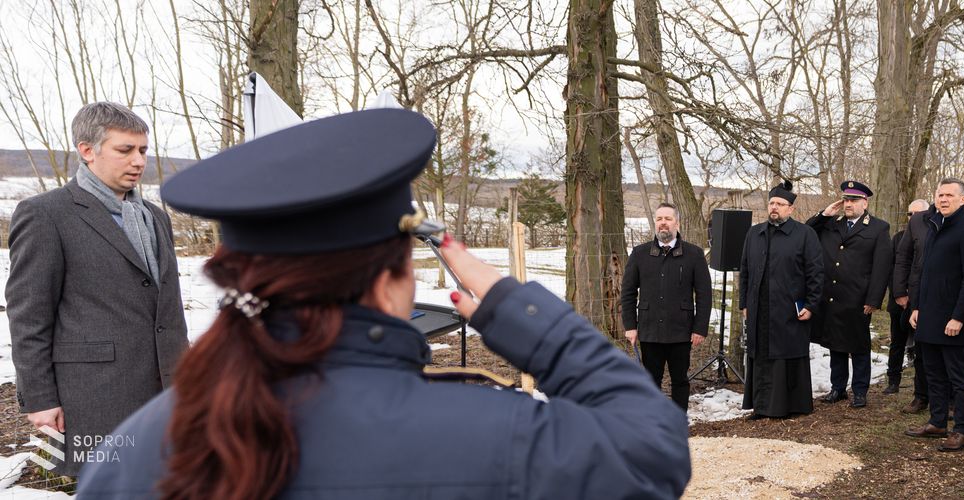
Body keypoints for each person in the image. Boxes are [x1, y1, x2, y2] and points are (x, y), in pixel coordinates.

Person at [76, 109, 691, 498]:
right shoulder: (500, 438)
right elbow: (653, 451)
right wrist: (519, 312)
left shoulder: (144, 449)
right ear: (385, 280)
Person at [6, 102, 189, 476]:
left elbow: (167, 308)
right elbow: (28, 314)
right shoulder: (46, 214)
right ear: (87, 150)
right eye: (125, 150)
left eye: (143, 151)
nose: (138, 161)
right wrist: (39, 398)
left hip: (168, 391)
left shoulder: (155, 216)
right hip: (96, 396)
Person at [903, 178, 964, 452]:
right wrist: (916, 307)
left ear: (963, 200)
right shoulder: (933, 225)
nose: (943, 199)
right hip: (928, 314)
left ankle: (960, 429)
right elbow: (924, 273)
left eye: (950, 195)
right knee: (933, 373)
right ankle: (937, 422)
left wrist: (960, 316)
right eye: (940, 194)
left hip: (953, 318)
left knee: (958, 378)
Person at [740, 181, 825, 419]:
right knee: (761, 355)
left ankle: (789, 406)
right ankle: (761, 406)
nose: (774, 207)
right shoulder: (754, 233)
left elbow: (816, 273)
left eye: (780, 204)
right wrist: (744, 303)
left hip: (790, 308)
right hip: (759, 308)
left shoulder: (805, 234)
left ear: (791, 209)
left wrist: (811, 304)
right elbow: (744, 270)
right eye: (771, 203)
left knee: (785, 354)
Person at [806, 181, 893, 408]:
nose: (848, 204)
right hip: (832, 295)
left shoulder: (878, 228)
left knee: (858, 345)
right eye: (846, 199)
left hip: (857, 297)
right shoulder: (831, 224)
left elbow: (881, 267)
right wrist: (824, 214)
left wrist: (874, 299)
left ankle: (860, 390)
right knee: (835, 343)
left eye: (853, 200)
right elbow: (807, 232)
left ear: (865, 202)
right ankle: (838, 388)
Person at [622, 203, 712, 410]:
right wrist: (630, 326)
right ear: (655, 223)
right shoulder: (639, 254)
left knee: (680, 379)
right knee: (651, 380)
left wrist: (700, 328)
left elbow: (704, 295)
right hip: (649, 329)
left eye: (668, 219)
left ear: (677, 223)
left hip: (681, 330)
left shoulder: (694, 254)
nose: (663, 223)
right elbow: (627, 293)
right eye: (659, 219)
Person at [885, 199, 929, 397]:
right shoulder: (899, 237)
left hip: (923, 301)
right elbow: (894, 268)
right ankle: (893, 380)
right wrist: (899, 294)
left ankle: (921, 390)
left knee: (922, 348)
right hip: (900, 300)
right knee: (897, 342)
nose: (913, 218)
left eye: (918, 214)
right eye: (910, 214)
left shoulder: (932, 236)